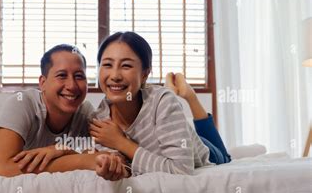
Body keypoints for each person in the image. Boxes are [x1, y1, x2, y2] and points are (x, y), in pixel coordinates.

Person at [89, 31, 231, 178]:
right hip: (170, 132)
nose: (115, 76)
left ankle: (190, 96)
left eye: (126, 66)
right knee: (171, 111)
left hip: (203, 152)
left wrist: (121, 142)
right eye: (107, 64)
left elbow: (181, 170)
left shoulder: (163, 102)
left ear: (145, 73)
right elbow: (126, 167)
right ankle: (170, 92)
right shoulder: (99, 120)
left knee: (225, 157)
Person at [0, 44, 129, 181]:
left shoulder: (85, 113)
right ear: (43, 83)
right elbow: (4, 167)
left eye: (79, 76)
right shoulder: (21, 103)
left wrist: (62, 150)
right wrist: (81, 161)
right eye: (61, 75)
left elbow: (105, 157)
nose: (72, 86)